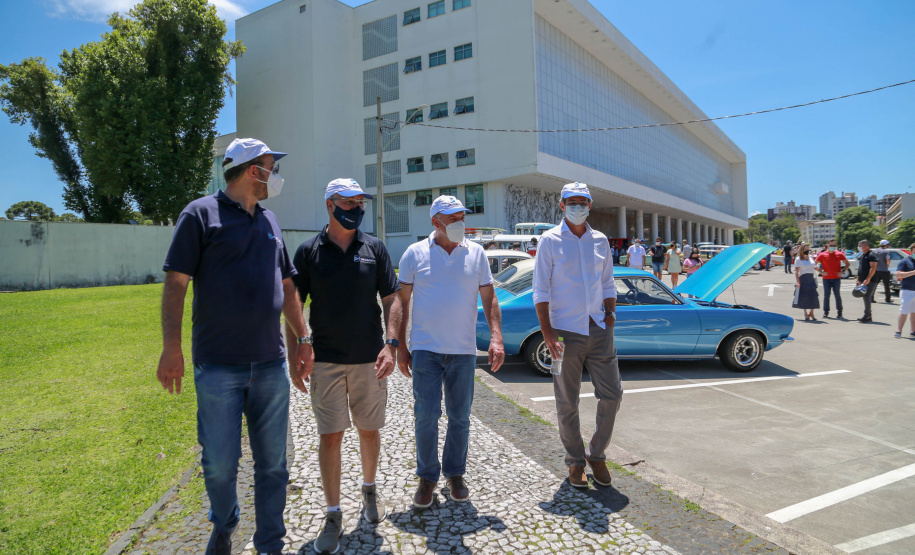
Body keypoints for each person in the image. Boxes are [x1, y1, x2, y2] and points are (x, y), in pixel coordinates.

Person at [157, 138, 308, 555]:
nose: (275, 174)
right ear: (249, 169)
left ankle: (270, 542)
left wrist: (304, 338)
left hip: (270, 365)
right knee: (220, 464)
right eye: (269, 165)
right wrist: (172, 348)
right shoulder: (199, 214)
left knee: (273, 464)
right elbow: (175, 284)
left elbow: (288, 285)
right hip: (218, 367)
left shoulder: (271, 221)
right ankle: (224, 523)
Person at [286, 179, 402, 553]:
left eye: (359, 202)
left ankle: (369, 489)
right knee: (330, 436)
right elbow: (292, 308)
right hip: (325, 362)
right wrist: (295, 355)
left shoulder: (375, 248)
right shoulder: (308, 252)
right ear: (329, 204)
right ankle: (333, 513)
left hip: (370, 360)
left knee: (369, 431)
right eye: (348, 202)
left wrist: (392, 343)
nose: (355, 207)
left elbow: (393, 299)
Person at [397, 195, 505, 508]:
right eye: (453, 218)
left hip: (462, 350)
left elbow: (490, 298)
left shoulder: (477, 253)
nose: (460, 223)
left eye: (462, 217)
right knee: (426, 415)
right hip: (426, 350)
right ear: (436, 222)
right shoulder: (414, 253)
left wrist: (496, 337)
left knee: (460, 417)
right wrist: (401, 346)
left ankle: (455, 473)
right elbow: (401, 303)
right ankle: (427, 477)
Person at [532, 182, 622, 489]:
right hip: (563, 334)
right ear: (561, 205)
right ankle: (575, 462)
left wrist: (609, 315)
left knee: (612, 395)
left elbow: (608, 281)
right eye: (572, 201)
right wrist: (547, 332)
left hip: (599, 329)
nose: (578, 206)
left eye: (583, 201)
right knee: (566, 401)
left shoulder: (599, 240)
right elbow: (541, 289)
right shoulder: (550, 240)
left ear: (590, 205)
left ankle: (596, 454)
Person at [815, 238, 849, 319]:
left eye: (834, 245)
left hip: (836, 278)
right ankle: (826, 312)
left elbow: (847, 263)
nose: (832, 247)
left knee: (837, 295)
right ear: (827, 246)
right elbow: (814, 264)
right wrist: (821, 272)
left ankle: (839, 312)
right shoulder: (822, 254)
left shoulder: (839, 254)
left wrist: (842, 271)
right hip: (826, 278)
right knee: (827, 295)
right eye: (831, 245)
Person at [793, 243, 821, 321]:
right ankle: (805, 313)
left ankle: (811, 312)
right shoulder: (798, 259)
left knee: (813, 296)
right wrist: (798, 281)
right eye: (805, 249)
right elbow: (796, 271)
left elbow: (814, 266)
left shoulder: (811, 257)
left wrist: (821, 271)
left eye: (808, 249)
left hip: (811, 278)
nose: (807, 251)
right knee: (804, 297)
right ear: (802, 250)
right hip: (803, 278)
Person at [894, 244, 915, 338]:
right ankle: (899, 331)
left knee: (914, 312)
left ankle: (913, 330)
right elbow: (898, 274)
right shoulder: (905, 262)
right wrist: (913, 272)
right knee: (904, 310)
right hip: (907, 290)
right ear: (911, 251)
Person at [856, 239, 879, 323]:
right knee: (865, 297)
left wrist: (868, 279)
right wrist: (858, 279)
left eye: (860, 245)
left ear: (865, 246)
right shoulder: (863, 255)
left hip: (870, 280)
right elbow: (860, 268)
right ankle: (868, 315)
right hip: (863, 280)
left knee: (867, 297)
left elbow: (873, 268)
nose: (859, 247)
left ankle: (867, 316)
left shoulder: (872, 255)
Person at [871, 239, 892, 304]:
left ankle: (871, 298)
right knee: (886, 285)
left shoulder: (874, 251)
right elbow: (888, 260)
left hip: (876, 270)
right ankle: (887, 299)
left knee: (874, 285)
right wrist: (887, 265)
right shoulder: (886, 252)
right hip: (884, 270)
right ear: (885, 245)